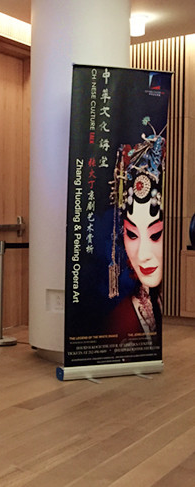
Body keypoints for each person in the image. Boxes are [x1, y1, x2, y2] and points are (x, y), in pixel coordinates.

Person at [106, 121, 165, 348]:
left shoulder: (157, 302)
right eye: (132, 235)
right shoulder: (123, 320)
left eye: (156, 235)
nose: (143, 255)